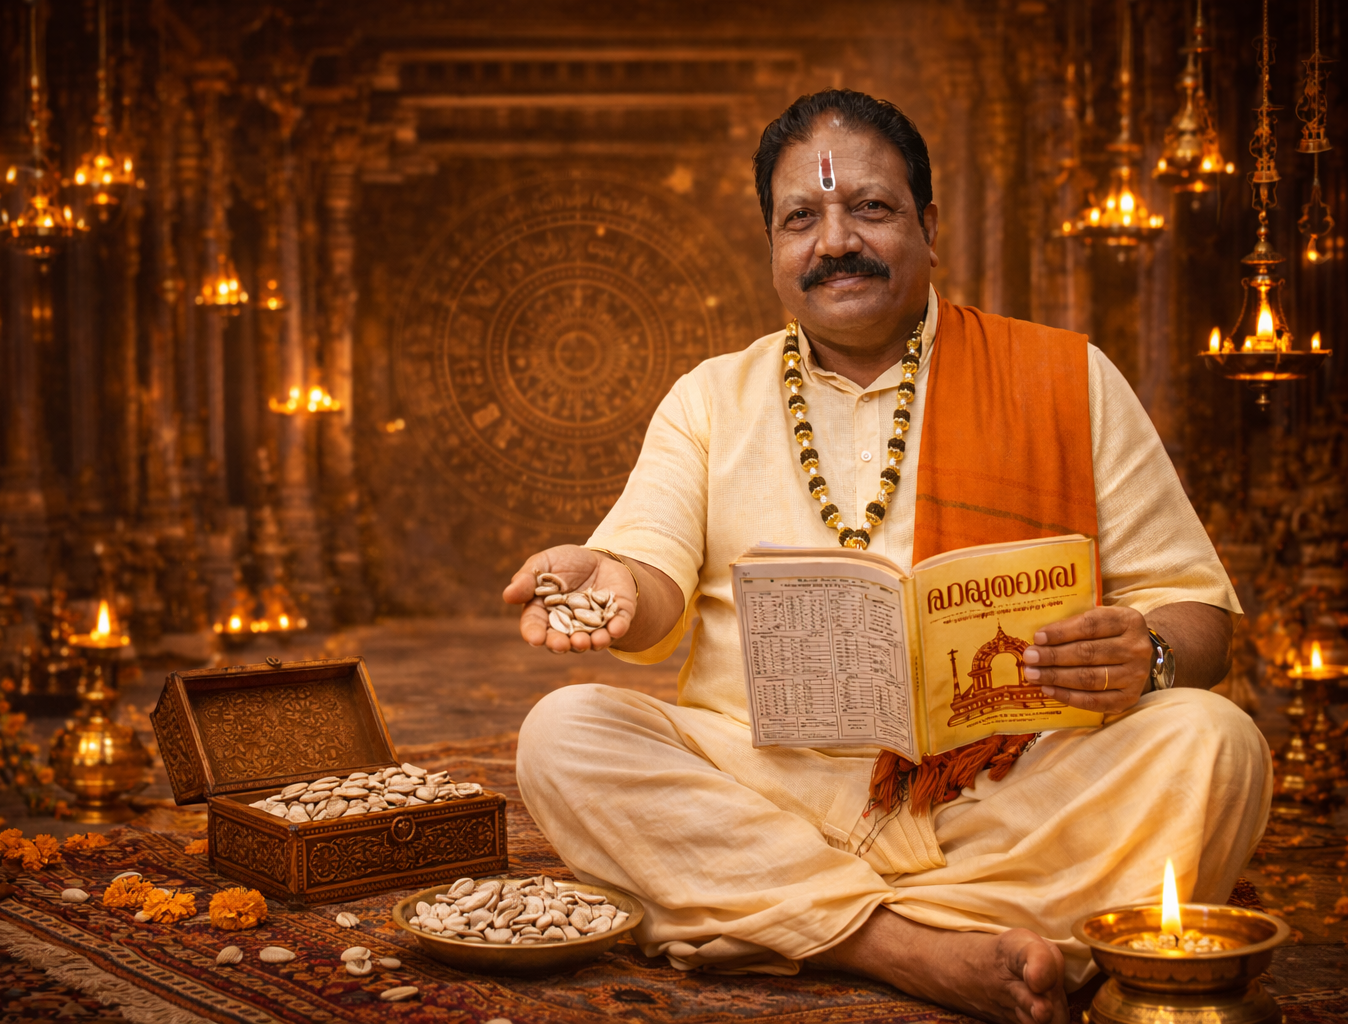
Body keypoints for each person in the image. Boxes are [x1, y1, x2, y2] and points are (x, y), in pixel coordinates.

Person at [504, 89, 1269, 1024]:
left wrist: (1144, 653)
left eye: (868, 207)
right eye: (801, 218)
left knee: (1214, 744)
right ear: (773, 247)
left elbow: (1199, 617)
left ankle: (778, 916)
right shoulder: (711, 398)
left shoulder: (1067, 377)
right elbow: (653, 577)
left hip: (1004, 788)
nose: (834, 242)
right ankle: (916, 950)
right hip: (763, 783)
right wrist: (613, 581)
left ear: (928, 226)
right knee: (564, 734)